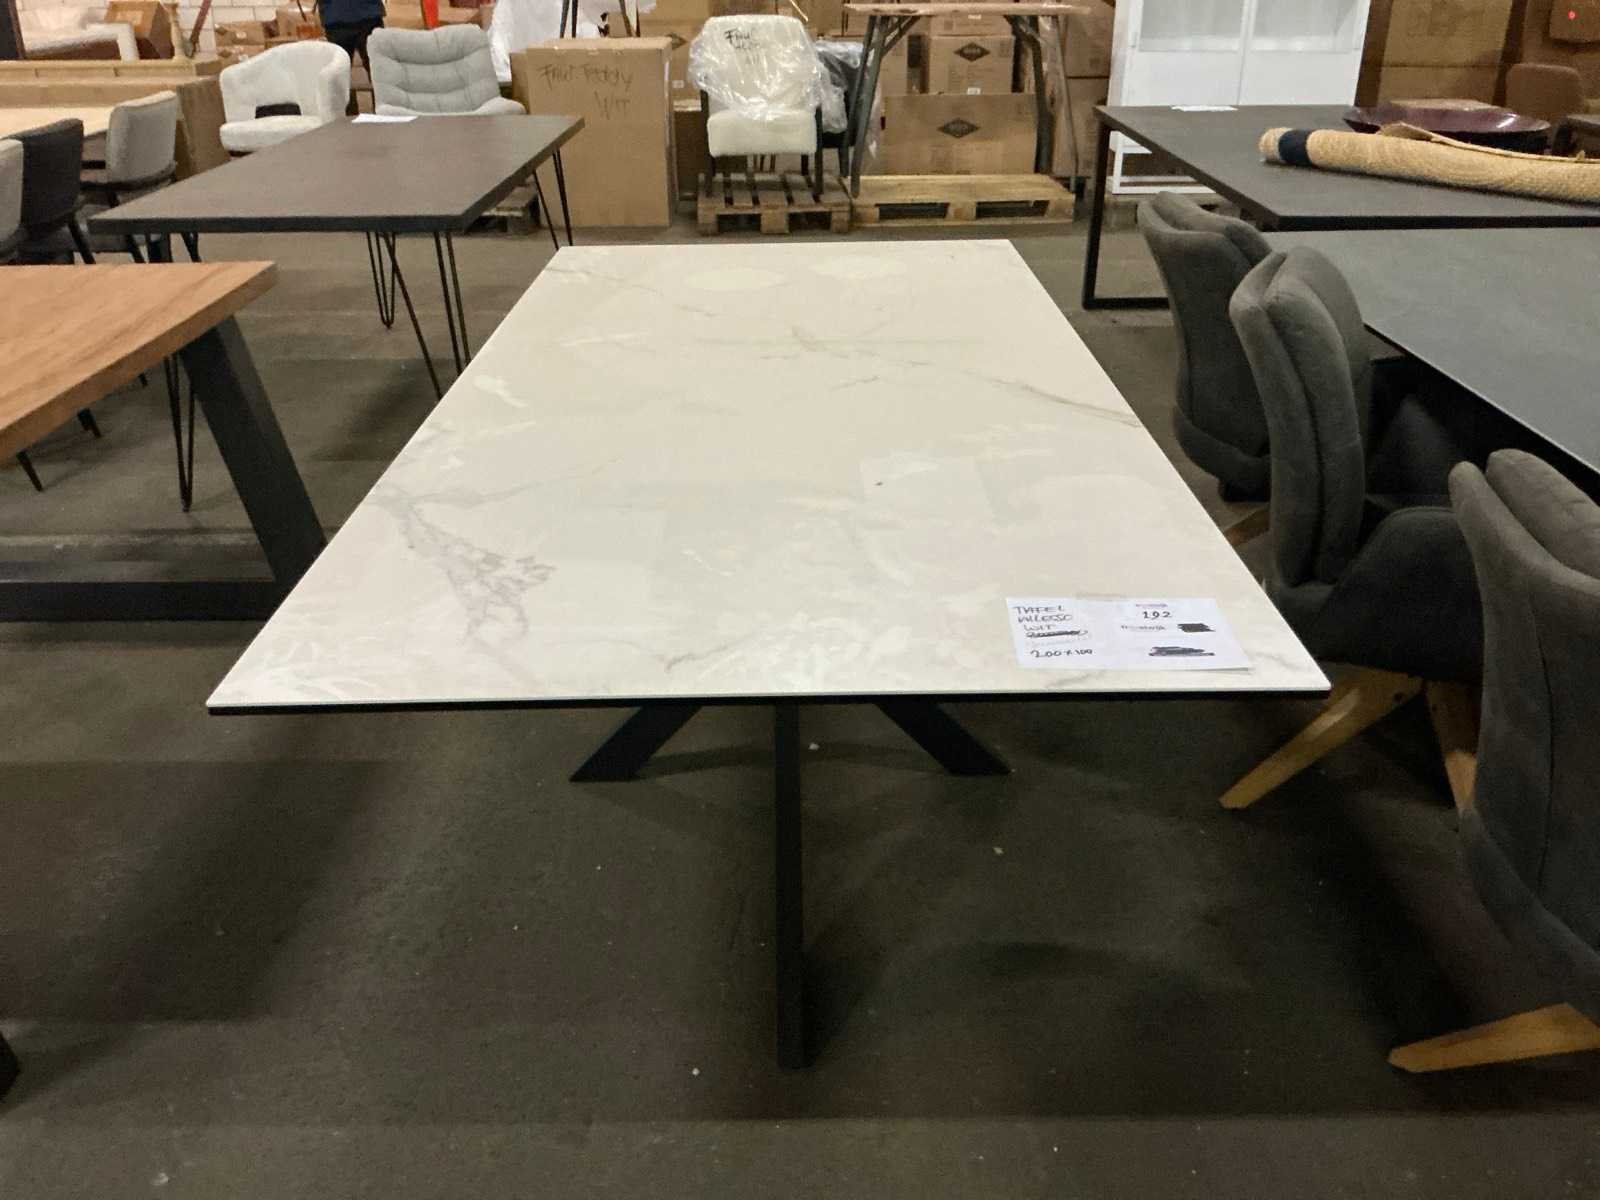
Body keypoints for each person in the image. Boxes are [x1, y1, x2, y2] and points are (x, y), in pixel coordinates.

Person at [317, 0, 386, 116]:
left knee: (376, 72)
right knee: (341, 75)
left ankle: (351, 118)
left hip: (342, 16)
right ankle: (382, 116)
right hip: (352, 16)